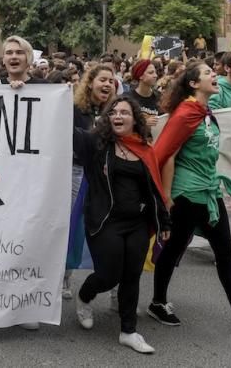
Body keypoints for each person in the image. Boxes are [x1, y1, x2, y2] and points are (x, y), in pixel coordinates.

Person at [149, 61, 231, 331]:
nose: (214, 75)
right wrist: (167, 196)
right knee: (174, 249)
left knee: (224, 251)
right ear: (194, 84)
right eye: (208, 73)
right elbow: (164, 154)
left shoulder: (204, 112)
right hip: (186, 194)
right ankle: (158, 302)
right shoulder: (185, 114)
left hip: (209, 190)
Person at [71, 95, 170, 353]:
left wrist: (164, 222)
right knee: (109, 274)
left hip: (137, 222)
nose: (118, 116)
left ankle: (129, 331)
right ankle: (85, 296)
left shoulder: (144, 148)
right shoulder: (95, 144)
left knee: (131, 276)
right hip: (106, 221)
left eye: (124, 112)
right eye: (113, 112)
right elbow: (67, 131)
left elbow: (154, 189)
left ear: (135, 119)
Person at [65, 64, 118, 298]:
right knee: (70, 224)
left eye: (111, 81)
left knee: (98, 227)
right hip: (75, 172)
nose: (107, 84)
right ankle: (63, 278)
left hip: (101, 176)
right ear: (90, 82)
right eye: (103, 79)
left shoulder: (114, 111)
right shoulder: (75, 108)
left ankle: (114, 285)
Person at [130, 59, 160, 125]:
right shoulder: (128, 98)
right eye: (151, 73)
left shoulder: (159, 96)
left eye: (155, 72)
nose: (155, 75)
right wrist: (143, 123)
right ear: (140, 76)